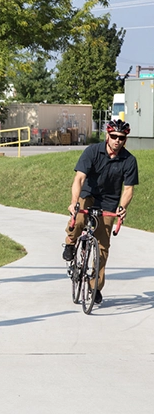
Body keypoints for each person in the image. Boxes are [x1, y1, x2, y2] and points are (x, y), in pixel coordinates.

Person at [62, 119, 138, 305]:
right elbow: (79, 178)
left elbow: (128, 189)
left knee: (102, 248)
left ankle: (94, 286)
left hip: (109, 202)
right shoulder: (93, 151)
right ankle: (70, 243)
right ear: (107, 136)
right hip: (88, 195)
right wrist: (74, 202)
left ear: (125, 139)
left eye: (121, 138)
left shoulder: (129, 160)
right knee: (79, 218)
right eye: (113, 136)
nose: (117, 140)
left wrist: (122, 208)